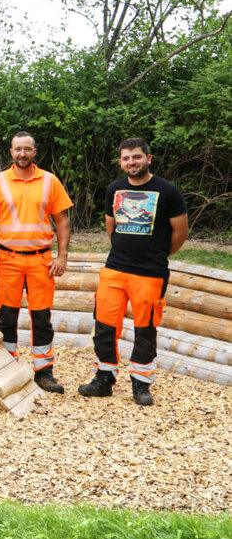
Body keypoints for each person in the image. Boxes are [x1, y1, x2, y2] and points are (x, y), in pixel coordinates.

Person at [0, 131, 73, 394]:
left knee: (41, 317)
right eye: (17, 149)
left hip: (41, 260)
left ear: (35, 151)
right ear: (11, 152)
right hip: (8, 258)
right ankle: (8, 367)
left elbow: (62, 221)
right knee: (7, 317)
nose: (22, 154)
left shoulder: (50, 181)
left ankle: (43, 372)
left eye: (27, 149)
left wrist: (62, 256)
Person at [78, 138, 188, 405]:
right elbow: (111, 227)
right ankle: (104, 378)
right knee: (104, 326)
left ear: (148, 159)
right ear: (120, 162)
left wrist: (157, 254)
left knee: (145, 328)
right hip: (115, 269)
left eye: (136, 157)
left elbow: (180, 233)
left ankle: (141, 383)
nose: (131, 162)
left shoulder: (167, 191)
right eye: (126, 159)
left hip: (150, 273)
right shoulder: (114, 189)